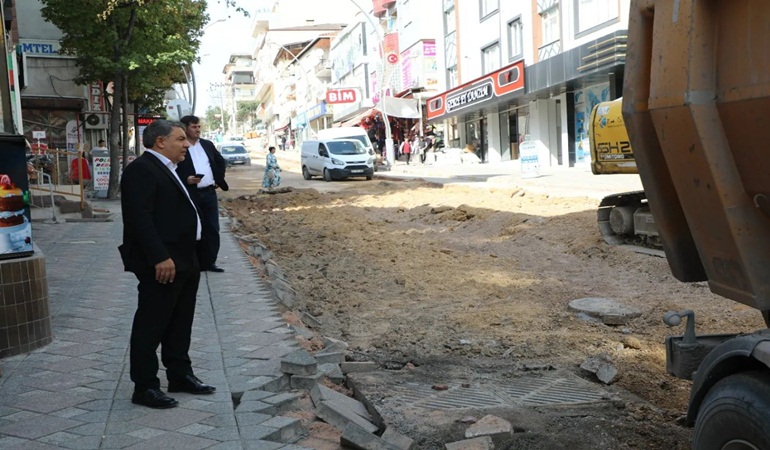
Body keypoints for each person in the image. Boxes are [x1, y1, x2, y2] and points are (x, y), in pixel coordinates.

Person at [119, 119, 216, 409]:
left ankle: (180, 374)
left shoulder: (171, 169)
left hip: (186, 258)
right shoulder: (141, 170)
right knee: (152, 324)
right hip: (163, 262)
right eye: (180, 139)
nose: (186, 144)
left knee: (180, 321)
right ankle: (145, 386)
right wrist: (160, 257)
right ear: (160, 142)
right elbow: (140, 219)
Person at [176, 115, 229, 273]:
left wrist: (218, 177)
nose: (197, 129)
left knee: (212, 228)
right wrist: (186, 179)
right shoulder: (181, 146)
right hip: (191, 193)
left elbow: (220, 161)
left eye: (198, 126)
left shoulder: (206, 144)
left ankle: (209, 262)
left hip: (209, 193)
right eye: (194, 127)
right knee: (193, 228)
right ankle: (193, 262)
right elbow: (173, 167)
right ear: (185, 128)